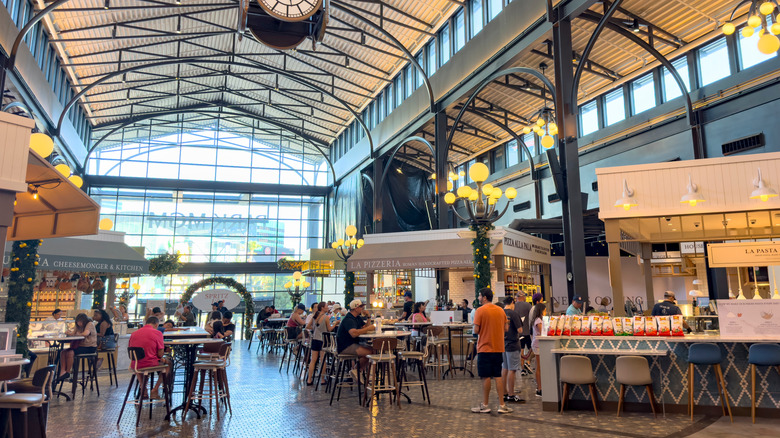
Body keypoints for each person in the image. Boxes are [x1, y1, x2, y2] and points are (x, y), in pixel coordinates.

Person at [471, 288, 512, 414]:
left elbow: (476, 330)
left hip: (484, 347)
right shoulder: (500, 310)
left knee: (486, 376)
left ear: (484, 297)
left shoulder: (480, 310)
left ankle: (485, 405)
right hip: (498, 347)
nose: (478, 298)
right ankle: (502, 405)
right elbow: (506, 328)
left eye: (479, 296)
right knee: (498, 376)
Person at [128, 316, 171, 400]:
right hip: (150, 364)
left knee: (139, 363)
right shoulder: (157, 333)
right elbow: (160, 354)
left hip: (135, 364)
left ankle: (143, 388)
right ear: (156, 325)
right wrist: (160, 357)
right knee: (168, 364)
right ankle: (155, 389)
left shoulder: (134, 333)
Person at [336, 299, 375, 380]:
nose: (363, 309)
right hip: (346, 346)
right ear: (356, 308)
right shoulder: (349, 319)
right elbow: (353, 334)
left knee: (373, 350)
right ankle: (356, 370)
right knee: (371, 352)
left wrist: (368, 317)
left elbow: (365, 327)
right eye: (361, 307)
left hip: (353, 343)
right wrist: (368, 329)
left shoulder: (357, 318)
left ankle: (356, 371)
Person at [56, 313, 98, 383]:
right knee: (63, 352)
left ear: (84, 321)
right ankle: (63, 371)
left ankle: (68, 372)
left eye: (80, 322)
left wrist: (77, 334)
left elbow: (85, 333)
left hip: (90, 347)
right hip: (80, 346)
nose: (79, 323)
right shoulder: (78, 326)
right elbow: (73, 333)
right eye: (78, 322)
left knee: (70, 352)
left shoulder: (90, 324)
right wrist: (69, 333)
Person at [306, 302, 338, 385]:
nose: (328, 307)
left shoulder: (314, 316)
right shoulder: (326, 317)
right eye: (326, 306)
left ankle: (309, 379)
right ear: (323, 308)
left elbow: (307, 327)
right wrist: (335, 324)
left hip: (315, 339)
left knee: (313, 360)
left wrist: (315, 328)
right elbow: (329, 329)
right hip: (323, 340)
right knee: (323, 360)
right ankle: (323, 380)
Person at [501, 297, 525, 403]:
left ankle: (504, 393)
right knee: (512, 369)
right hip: (513, 344)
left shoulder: (500, 313)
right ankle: (511, 394)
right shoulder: (514, 314)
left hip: (503, 344)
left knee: (504, 369)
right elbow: (520, 330)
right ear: (512, 302)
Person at [529, 302, 547, 397]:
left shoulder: (535, 320)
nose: (546, 312)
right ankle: (540, 388)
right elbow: (542, 332)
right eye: (545, 310)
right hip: (538, 345)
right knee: (539, 367)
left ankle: (540, 387)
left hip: (536, 344)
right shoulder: (539, 321)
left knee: (538, 366)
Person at [514, 297, 533, 376]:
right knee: (532, 349)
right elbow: (532, 316)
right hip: (528, 331)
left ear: (517, 298)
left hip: (519, 333)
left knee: (521, 352)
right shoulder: (528, 305)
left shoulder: (514, 306)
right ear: (523, 297)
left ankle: (523, 370)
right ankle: (528, 362)